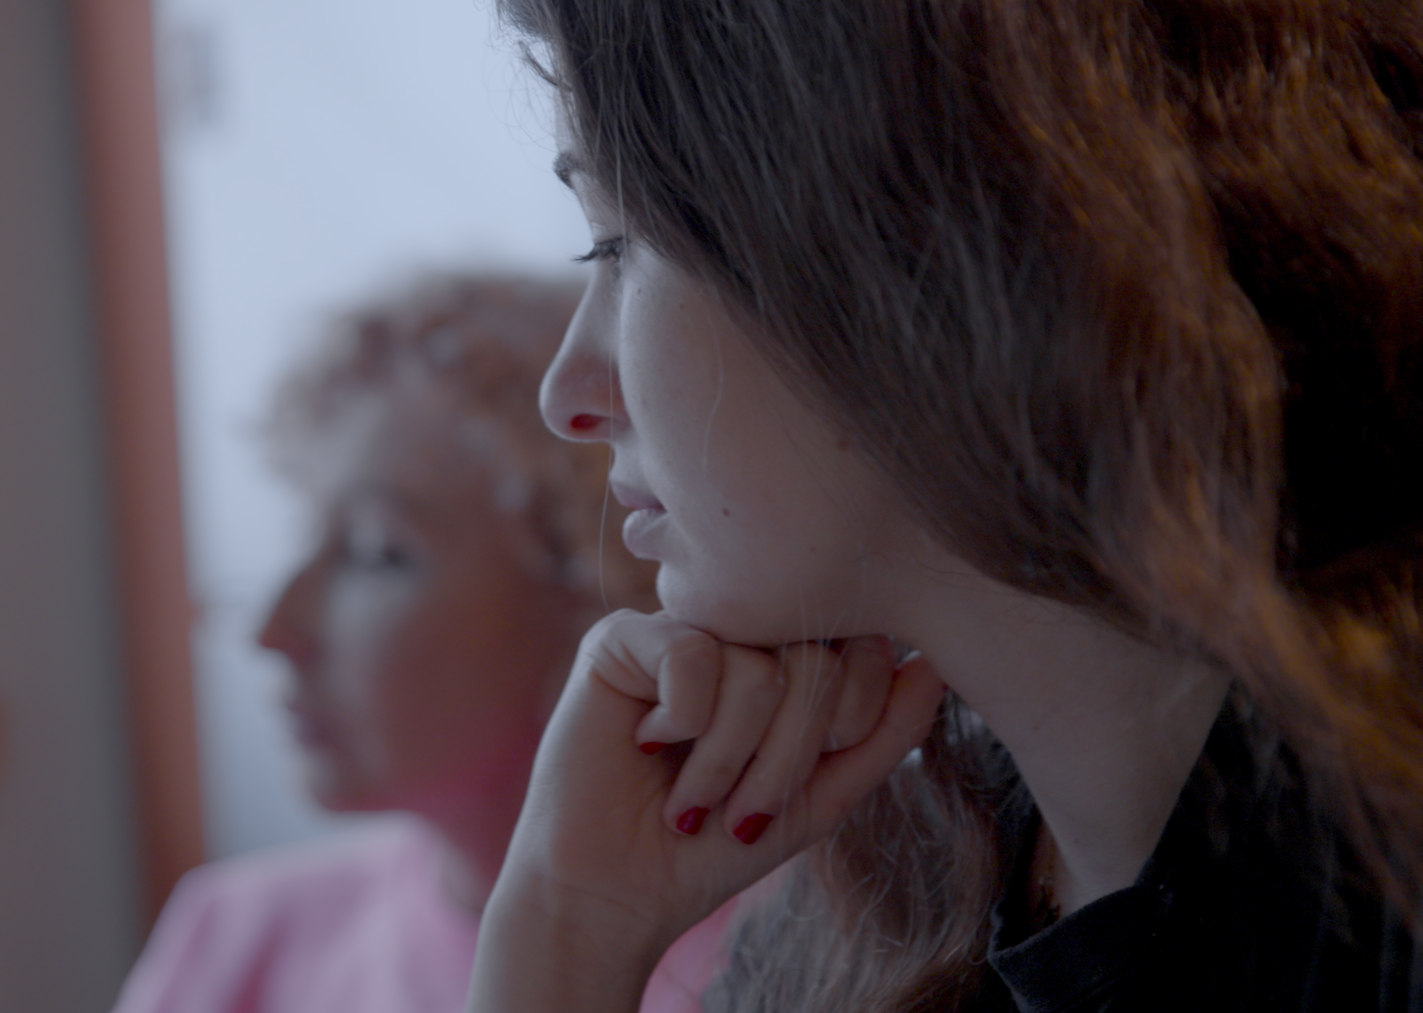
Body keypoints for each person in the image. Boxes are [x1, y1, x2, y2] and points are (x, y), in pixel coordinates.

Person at [464, 2, 1423, 1012]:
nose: (567, 396)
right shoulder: (879, 898)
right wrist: (566, 931)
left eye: (615, 247)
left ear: (908, 238)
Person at [112, 274, 740, 1013]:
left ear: (598, 590)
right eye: (308, 536)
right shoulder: (236, 939)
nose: (271, 630)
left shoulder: (796, 964)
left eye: (375, 552)